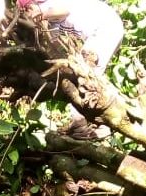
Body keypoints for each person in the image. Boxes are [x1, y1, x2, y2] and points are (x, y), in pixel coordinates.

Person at [17, 0, 124, 139]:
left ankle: (96, 124)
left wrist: (41, 12)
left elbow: (64, 10)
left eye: (27, 10)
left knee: (87, 73)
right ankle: (85, 122)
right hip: (103, 31)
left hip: (106, 27)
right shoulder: (47, 26)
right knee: (82, 74)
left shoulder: (47, 6)